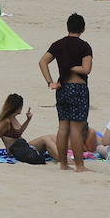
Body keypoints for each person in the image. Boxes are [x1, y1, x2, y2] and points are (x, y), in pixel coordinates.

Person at [38, 13, 93, 172]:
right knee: (76, 129)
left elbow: (42, 62)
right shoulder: (84, 46)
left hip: (62, 88)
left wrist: (50, 82)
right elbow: (86, 69)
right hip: (78, 88)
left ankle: (63, 164)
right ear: (82, 28)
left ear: (67, 27)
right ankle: (79, 166)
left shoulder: (58, 44)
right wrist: (72, 67)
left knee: (63, 128)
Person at [0, 93, 54, 157]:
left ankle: (62, 154)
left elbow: (19, 131)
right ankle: (61, 159)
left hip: (23, 147)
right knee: (45, 139)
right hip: (15, 152)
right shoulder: (6, 122)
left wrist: (28, 119)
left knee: (51, 136)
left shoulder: (13, 118)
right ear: (17, 107)